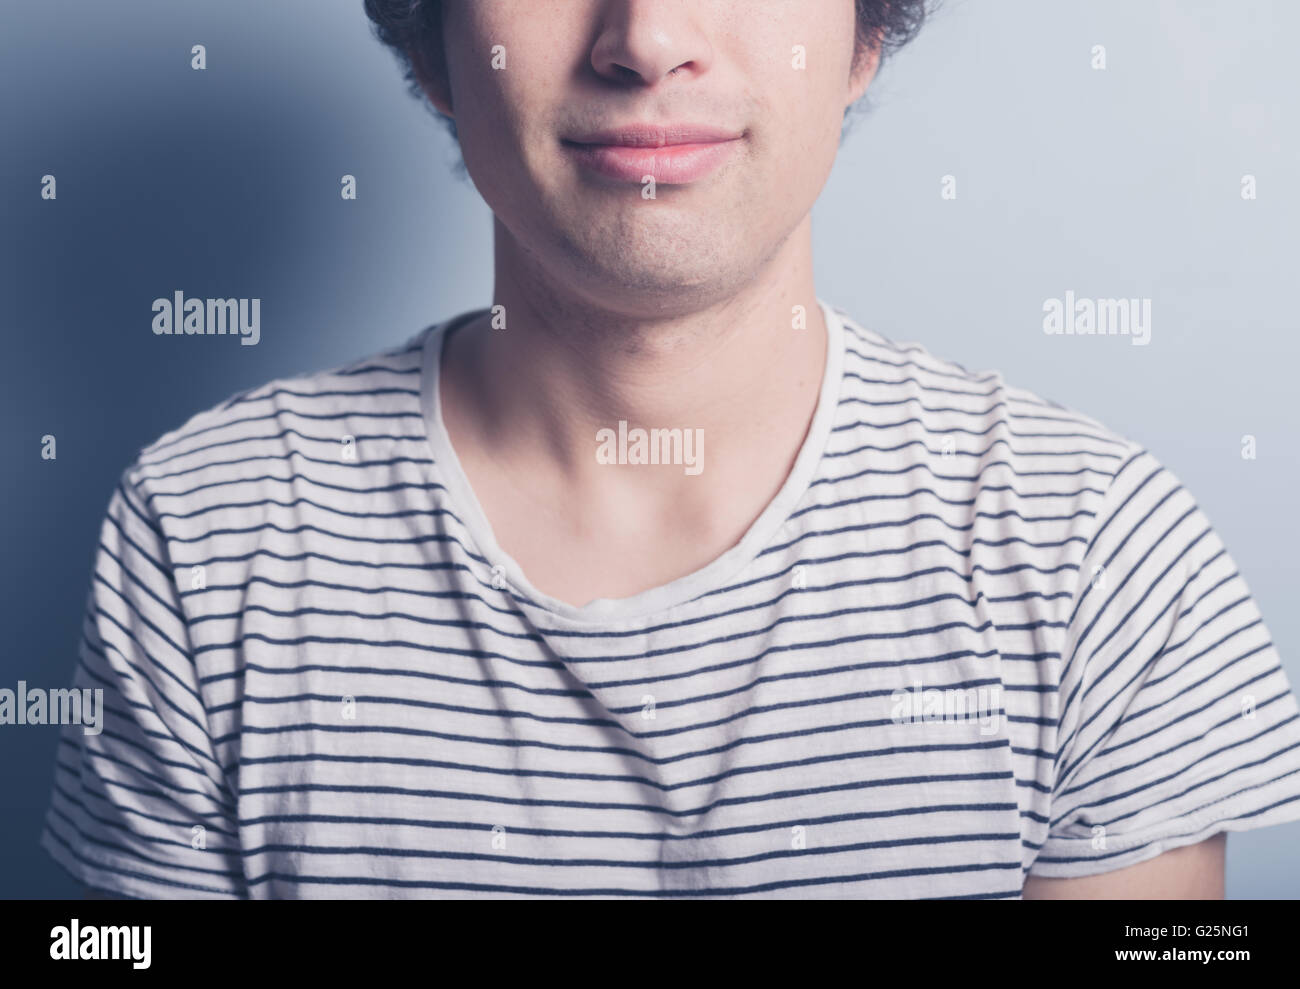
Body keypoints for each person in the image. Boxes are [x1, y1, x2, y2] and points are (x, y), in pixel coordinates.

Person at [42, 0, 1300, 899]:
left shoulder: (1094, 553)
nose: (644, 39)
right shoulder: (207, 532)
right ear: (431, 45)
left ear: (864, 35)